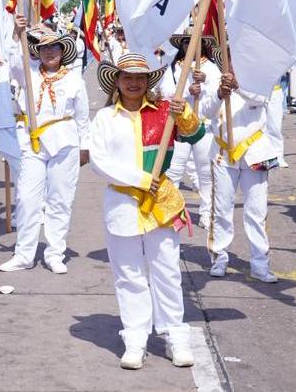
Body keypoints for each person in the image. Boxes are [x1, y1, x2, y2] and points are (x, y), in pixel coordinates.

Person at [85, 53, 200, 370]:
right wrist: (140, 179)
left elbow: (196, 133)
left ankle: (176, 337)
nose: (134, 83)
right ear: (117, 81)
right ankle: (135, 339)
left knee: (167, 271)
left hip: (161, 204)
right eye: (127, 77)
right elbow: (98, 162)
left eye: (140, 77)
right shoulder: (105, 118)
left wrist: (184, 111)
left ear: (148, 81)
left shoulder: (165, 111)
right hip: (122, 204)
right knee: (129, 275)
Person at [0, 18, 90, 274]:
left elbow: (83, 118)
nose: (49, 52)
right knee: (27, 199)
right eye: (44, 48)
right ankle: (23, 255)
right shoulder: (29, 73)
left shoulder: (74, 80)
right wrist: (17, 33)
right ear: (38, 52)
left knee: (60, 200)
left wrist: (85, 147)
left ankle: (55, 253)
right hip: (33, 143)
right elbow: (14, 62)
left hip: (65, 143)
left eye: (54, 47)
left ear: (63, 51)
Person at [204, 70, 282, 282]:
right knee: (221, 209)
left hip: (254, 153)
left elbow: (261, 99)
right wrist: (219, 94)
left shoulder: (260, 77)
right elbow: (206, 111)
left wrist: (238, 87)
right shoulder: (215, 79)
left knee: (257, 212)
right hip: (223, 155)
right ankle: (219, 258)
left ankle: (260, 264)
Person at [157, 33, 220, 228]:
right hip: (180, 127)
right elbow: (166, 93)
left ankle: (207, 214)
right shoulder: (174, 67)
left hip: (204, 126)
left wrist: (206, 82)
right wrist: (187, 92)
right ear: (182, 45)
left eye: (195, 41)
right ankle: (171, 213)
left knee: (206, 174)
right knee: (173, 172)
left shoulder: (211, 68)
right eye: (186, 41)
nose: (190, 45)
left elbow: (219, 97)